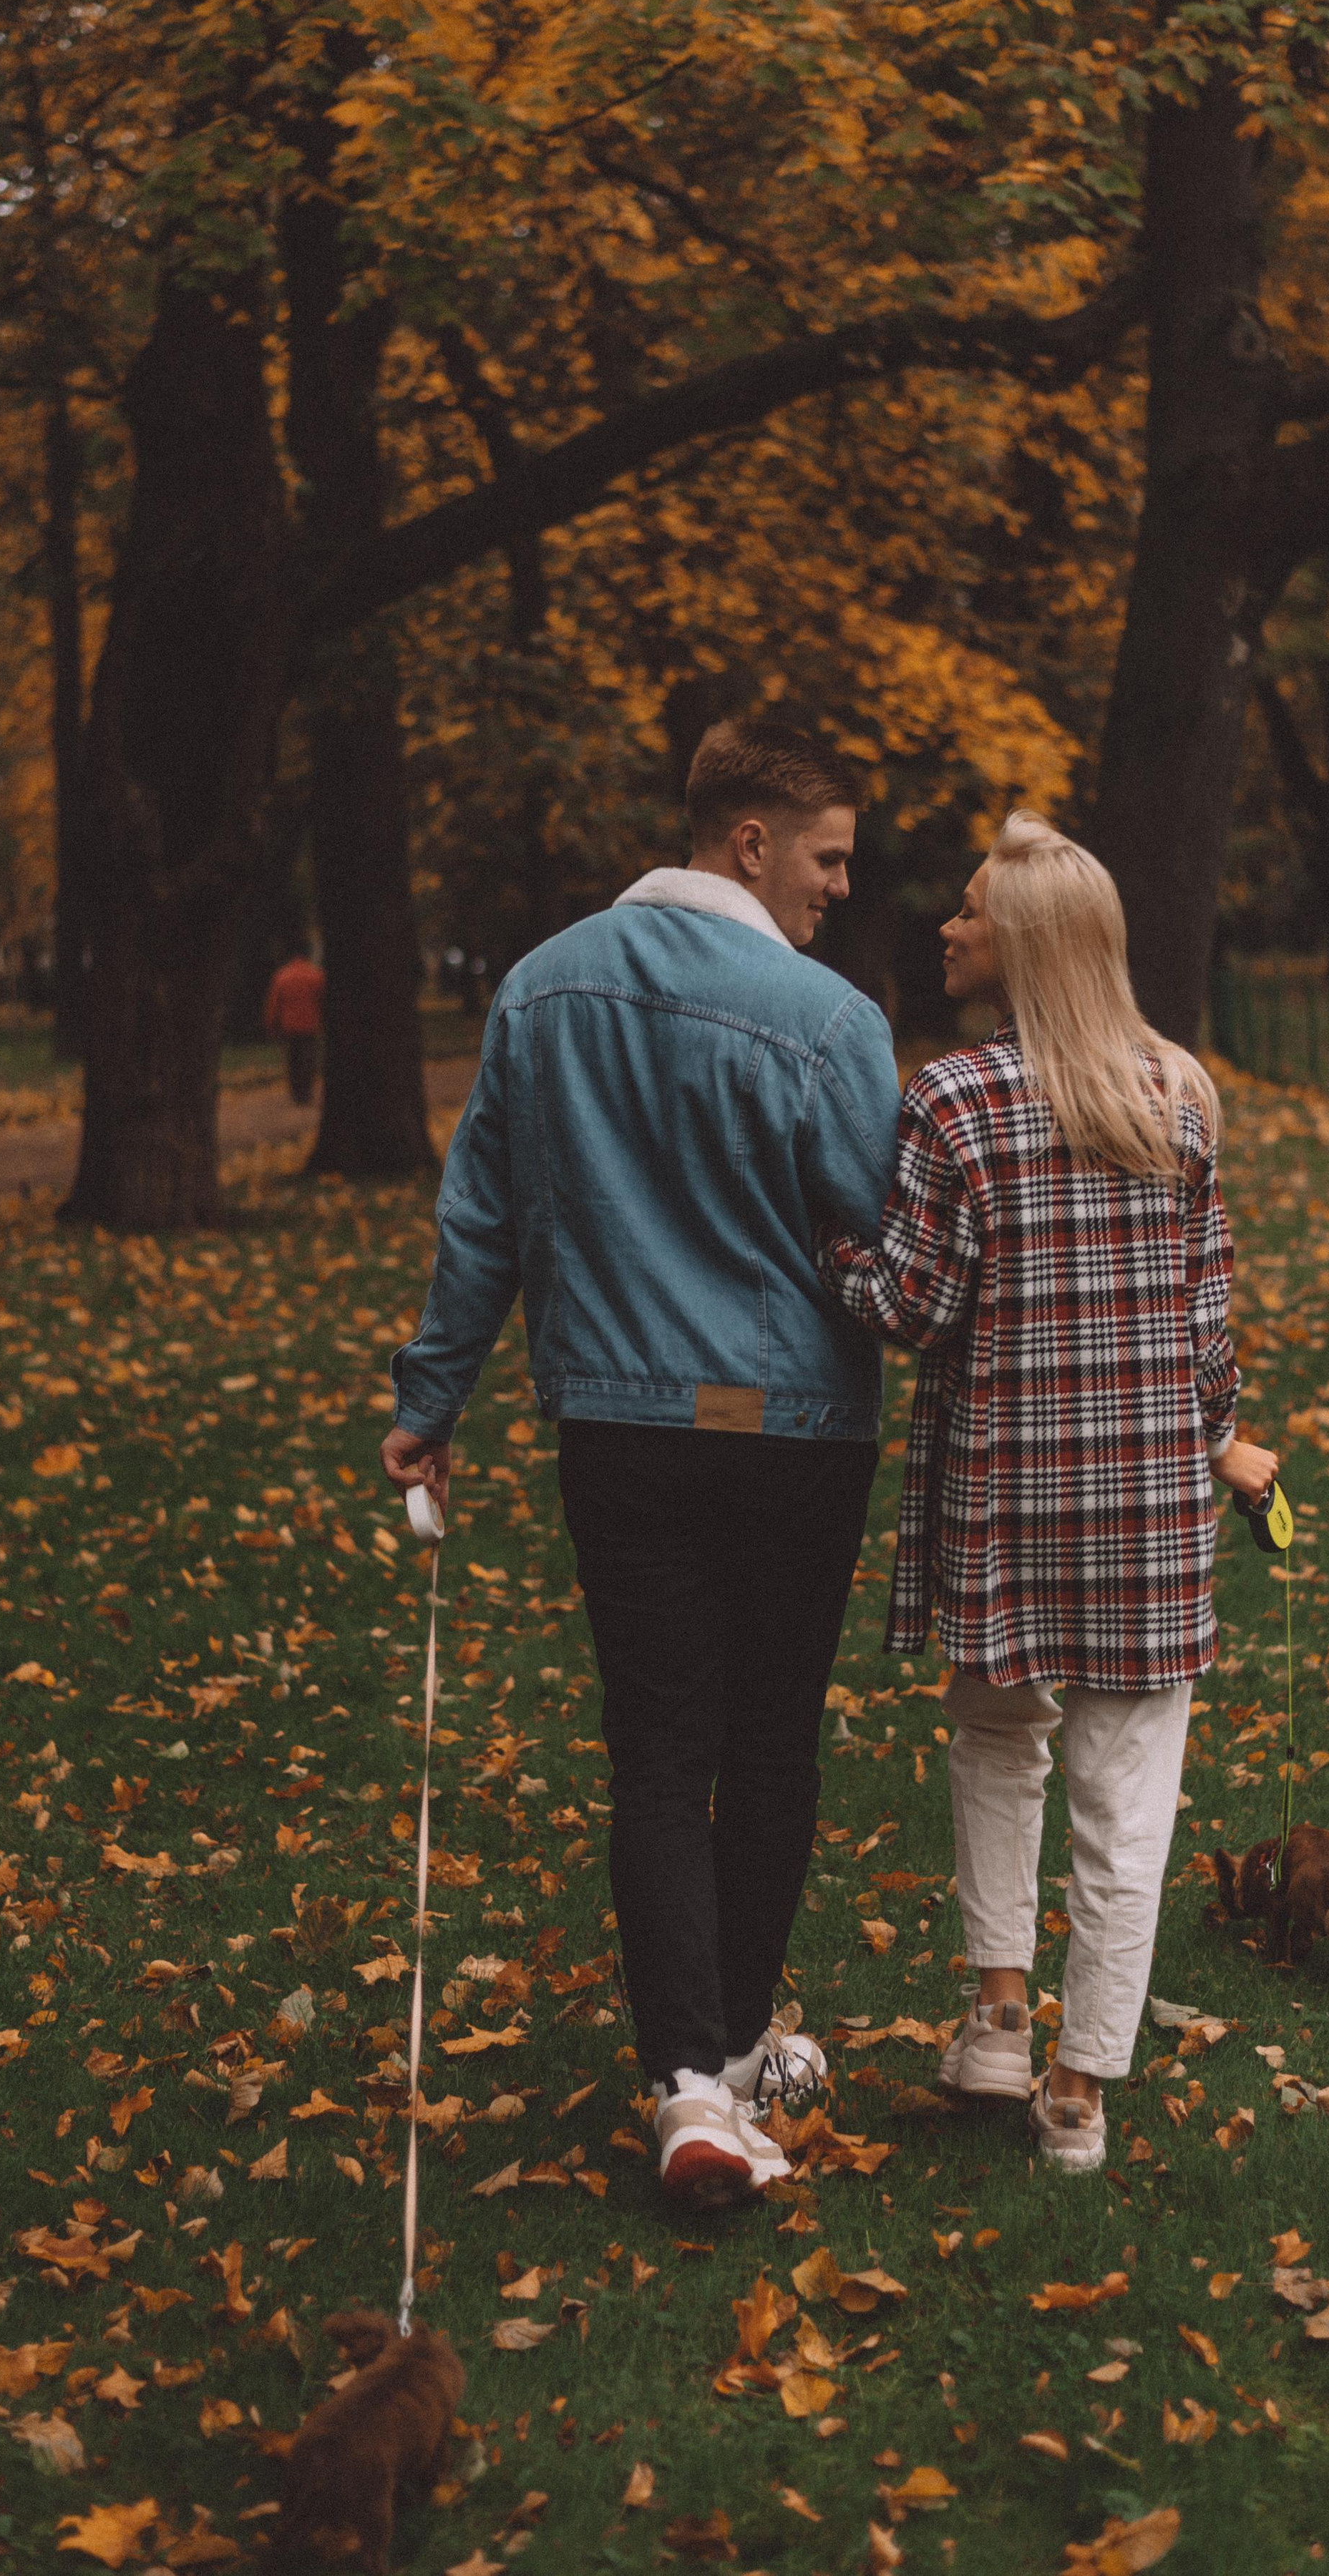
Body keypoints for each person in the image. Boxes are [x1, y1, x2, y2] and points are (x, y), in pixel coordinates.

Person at [383, 718, 901, 2207]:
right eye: (827, 858)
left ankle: (690, 2084)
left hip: (619, 1430)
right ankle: (727, 2055)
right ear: (750, 841)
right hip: (793, 1431)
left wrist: (433, 1398)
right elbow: (881, 1229)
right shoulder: (829, 1019)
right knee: (772, 1740)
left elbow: (483, 1215)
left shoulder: (540, 990)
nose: (839, 888)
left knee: (660, 1751)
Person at [818, 811, 1276, 2175]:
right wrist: (1221, 1441)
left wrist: (829, 1249)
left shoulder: (952, 1098)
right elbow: (1205, 1318)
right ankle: (1077, 2093)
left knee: (996, 1740)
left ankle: (1000, 2014)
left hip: (1009, 1492)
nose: (947, 926)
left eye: (970, 909)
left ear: (1020, 941)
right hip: (1148, 1502)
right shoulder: (1180, 1094)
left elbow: (915, 1304)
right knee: (1127, 1801)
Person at [266, 947, 326, 1106]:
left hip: (289, 1025)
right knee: (308, 1060)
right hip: (310, 1025)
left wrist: (271, 1024)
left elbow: (274, 1003)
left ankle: (296, 1093)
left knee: (293, 1059)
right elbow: (322, 1001)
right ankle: (306, 1092)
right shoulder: (316, 975)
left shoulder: (282, 976)